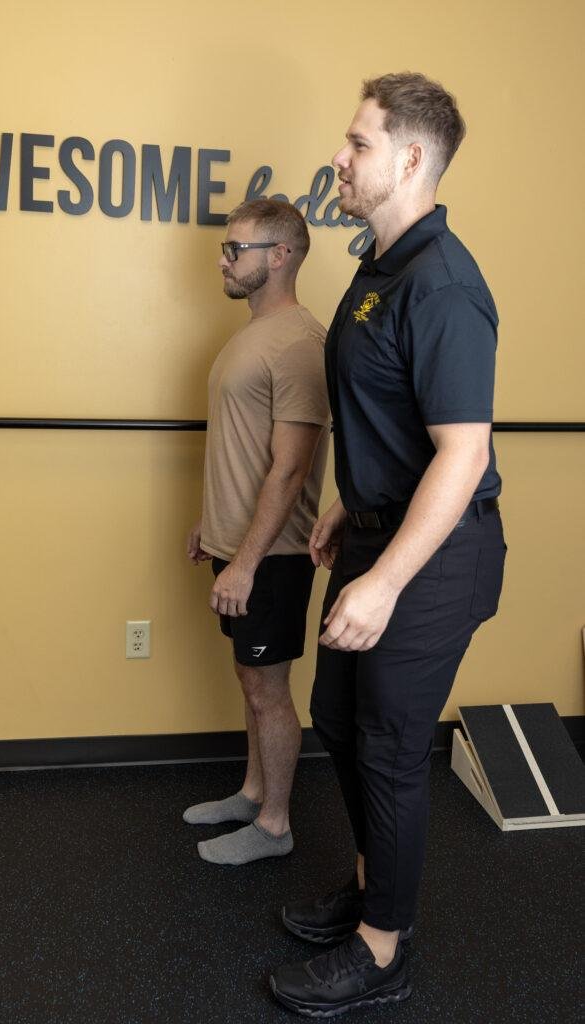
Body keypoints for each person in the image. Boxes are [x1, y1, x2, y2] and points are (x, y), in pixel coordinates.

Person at [270, 73, 507, 1015]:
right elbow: (385, 417)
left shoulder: (445, 283)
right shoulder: (381, 267)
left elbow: (461, 453)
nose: (339, 156)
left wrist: (384, 581)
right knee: (336, 713)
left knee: (391, 747)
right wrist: (348, 508)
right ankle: (375, 884)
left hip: (437, 557)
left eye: (357, 143)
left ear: (409, 158)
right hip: (379, 532)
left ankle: (381, 948)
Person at [184, 198, 331, 866]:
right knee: (251, 682)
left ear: (278, 256)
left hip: (270, 556)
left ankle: (274, 826)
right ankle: (251, 793)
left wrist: (243, 562)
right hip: (238, 544)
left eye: (233, 249)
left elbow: (291, 467)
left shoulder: (299, 343)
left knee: (268, 690)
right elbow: (241, 450)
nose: (222, 259)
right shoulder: (250, 337)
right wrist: (211, 528)